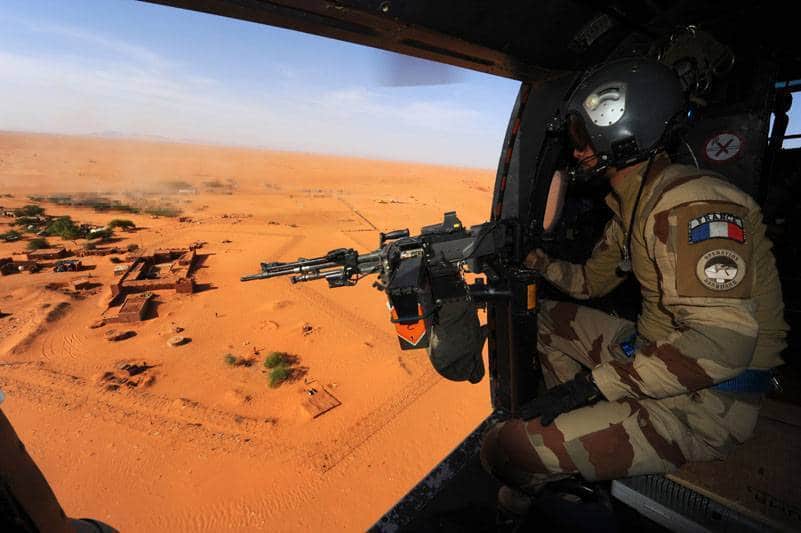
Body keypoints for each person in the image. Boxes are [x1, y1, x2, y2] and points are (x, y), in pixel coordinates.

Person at [478, 57, 789, 511]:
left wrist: (595, 385)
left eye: (584, 137)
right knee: (540, 319)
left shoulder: (689, 203)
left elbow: (723, 347)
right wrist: (538, 262)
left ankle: (558, 479)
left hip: (706, 402)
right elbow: (588, 283)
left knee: (503, 450)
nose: (577, 150)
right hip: (655, 348)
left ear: (622, 134)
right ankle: (578, 431)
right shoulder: (638, 200)